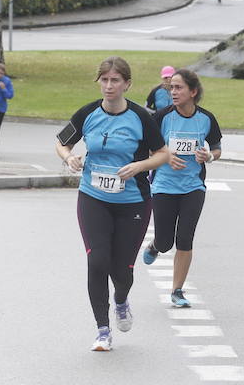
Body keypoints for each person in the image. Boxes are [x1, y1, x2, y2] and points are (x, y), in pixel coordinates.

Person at [54, 56, 169, 352]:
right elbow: (61, 142)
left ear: (126, 84)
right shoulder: (88, 113)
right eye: (104, 80)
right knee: (97, 260)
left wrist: (140, 166)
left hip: (133, 201)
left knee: (121, 270)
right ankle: (102, 330)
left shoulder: (141, 117)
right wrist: (69, 157)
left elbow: (163, 154)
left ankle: (120, 301)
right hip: (94, 197)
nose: (108, 86)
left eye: (115, 80)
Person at [143, 69, 222, 308]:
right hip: (164, 186)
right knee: (166, 242)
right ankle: (156, 246)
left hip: (193, 187)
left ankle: (177, 291)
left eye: (179, 88)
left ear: (193, 92)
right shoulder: (161, 117)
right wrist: (165, 156)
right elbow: (146, 150)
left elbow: (217, 147)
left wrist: (208, 156)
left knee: (185, 239)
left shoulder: (206, 119)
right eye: (172, 88)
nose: (173, 92)